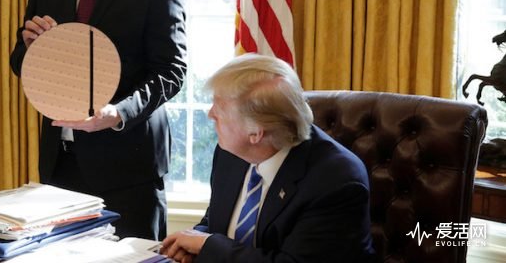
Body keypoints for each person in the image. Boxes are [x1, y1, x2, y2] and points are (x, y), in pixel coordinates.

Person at [9, 0, 186, 241]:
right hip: (61, 163)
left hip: (129, 168)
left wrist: (119, 113)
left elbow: (171, 72)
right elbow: (19, 63)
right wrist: (31, 47)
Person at [160, 54, 374, 262]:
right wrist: (191, 243)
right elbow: (217, 223)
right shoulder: (231, 153)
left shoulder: (336, 181)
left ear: (256, 133)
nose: (210, 114)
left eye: (220, 108)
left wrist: (208, 246)